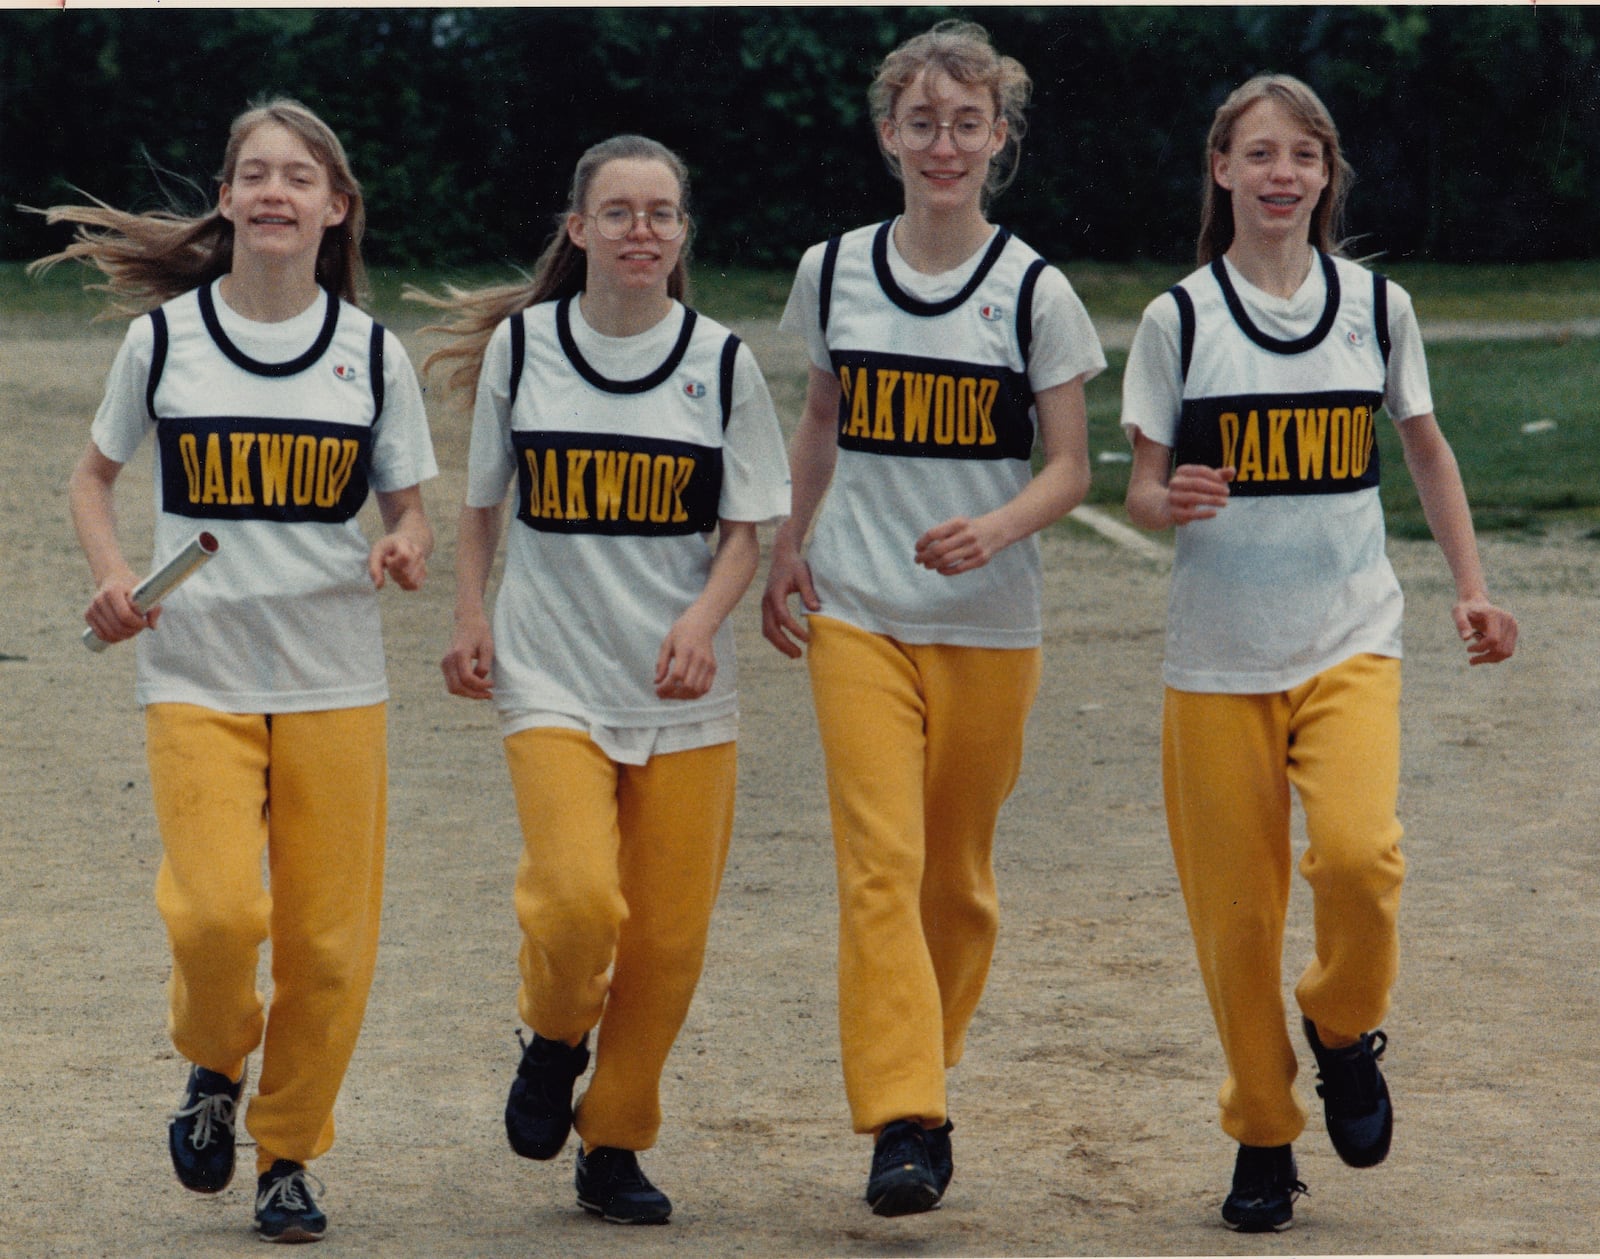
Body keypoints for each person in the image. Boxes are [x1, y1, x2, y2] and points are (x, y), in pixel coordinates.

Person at [1120, 73, 1519, 1232]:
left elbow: (1428, 452)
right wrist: (1168, 494)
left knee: (1359, 859)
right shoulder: (1178, 318)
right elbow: (1141, 487)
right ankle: (1259, 1132)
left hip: (1349, 637)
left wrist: (1474, 589)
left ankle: (1341, 1026)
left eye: (1303, 154)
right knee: (1235, 919)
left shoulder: (1373, 306)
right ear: (1222, 170)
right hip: (1215, 660)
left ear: (1326, 174)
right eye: (1259, 153)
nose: (1281, 173)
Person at [38, 96, 437, 1244]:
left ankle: (288, 1152)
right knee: (218, 916)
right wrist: (117, 578)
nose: (275, 191)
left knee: (323, 942)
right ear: (225, 198)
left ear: (335, 205)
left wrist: (405, 538)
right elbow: (90, 480)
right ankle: (214, 1063)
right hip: (198, 675)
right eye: (254, 173)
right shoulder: (163, 340)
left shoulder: (370, 350)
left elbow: (406, 501)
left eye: (298, 176)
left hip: (334, 680)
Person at [760, 20, 1103, 1217]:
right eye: (922, 122)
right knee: (880, 863)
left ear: (997, 137)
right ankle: (905, 1115)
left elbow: (1069, 468)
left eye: (966, 123)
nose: (942, 143)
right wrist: (785, 542)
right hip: (859, 612)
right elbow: (820, 417)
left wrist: (995, 527)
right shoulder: (834, 267)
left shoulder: (1032, 290)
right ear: (887, 134)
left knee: (953, 881)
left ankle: (924, 1065)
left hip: (989, 622)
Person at [414, 134, 789, 1226]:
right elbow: (482, 504)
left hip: (679, 688)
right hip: (550, 673)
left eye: (661, 213)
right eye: (617, 213)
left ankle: (615, 1136)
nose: (641, 231)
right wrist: (470, 612)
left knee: (668, 942)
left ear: (683, 233)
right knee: (578, 898)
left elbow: (743, 534)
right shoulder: (526, 350)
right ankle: (552, 1031)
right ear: (577, 231)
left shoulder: (719, 361)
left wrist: (704, 620)